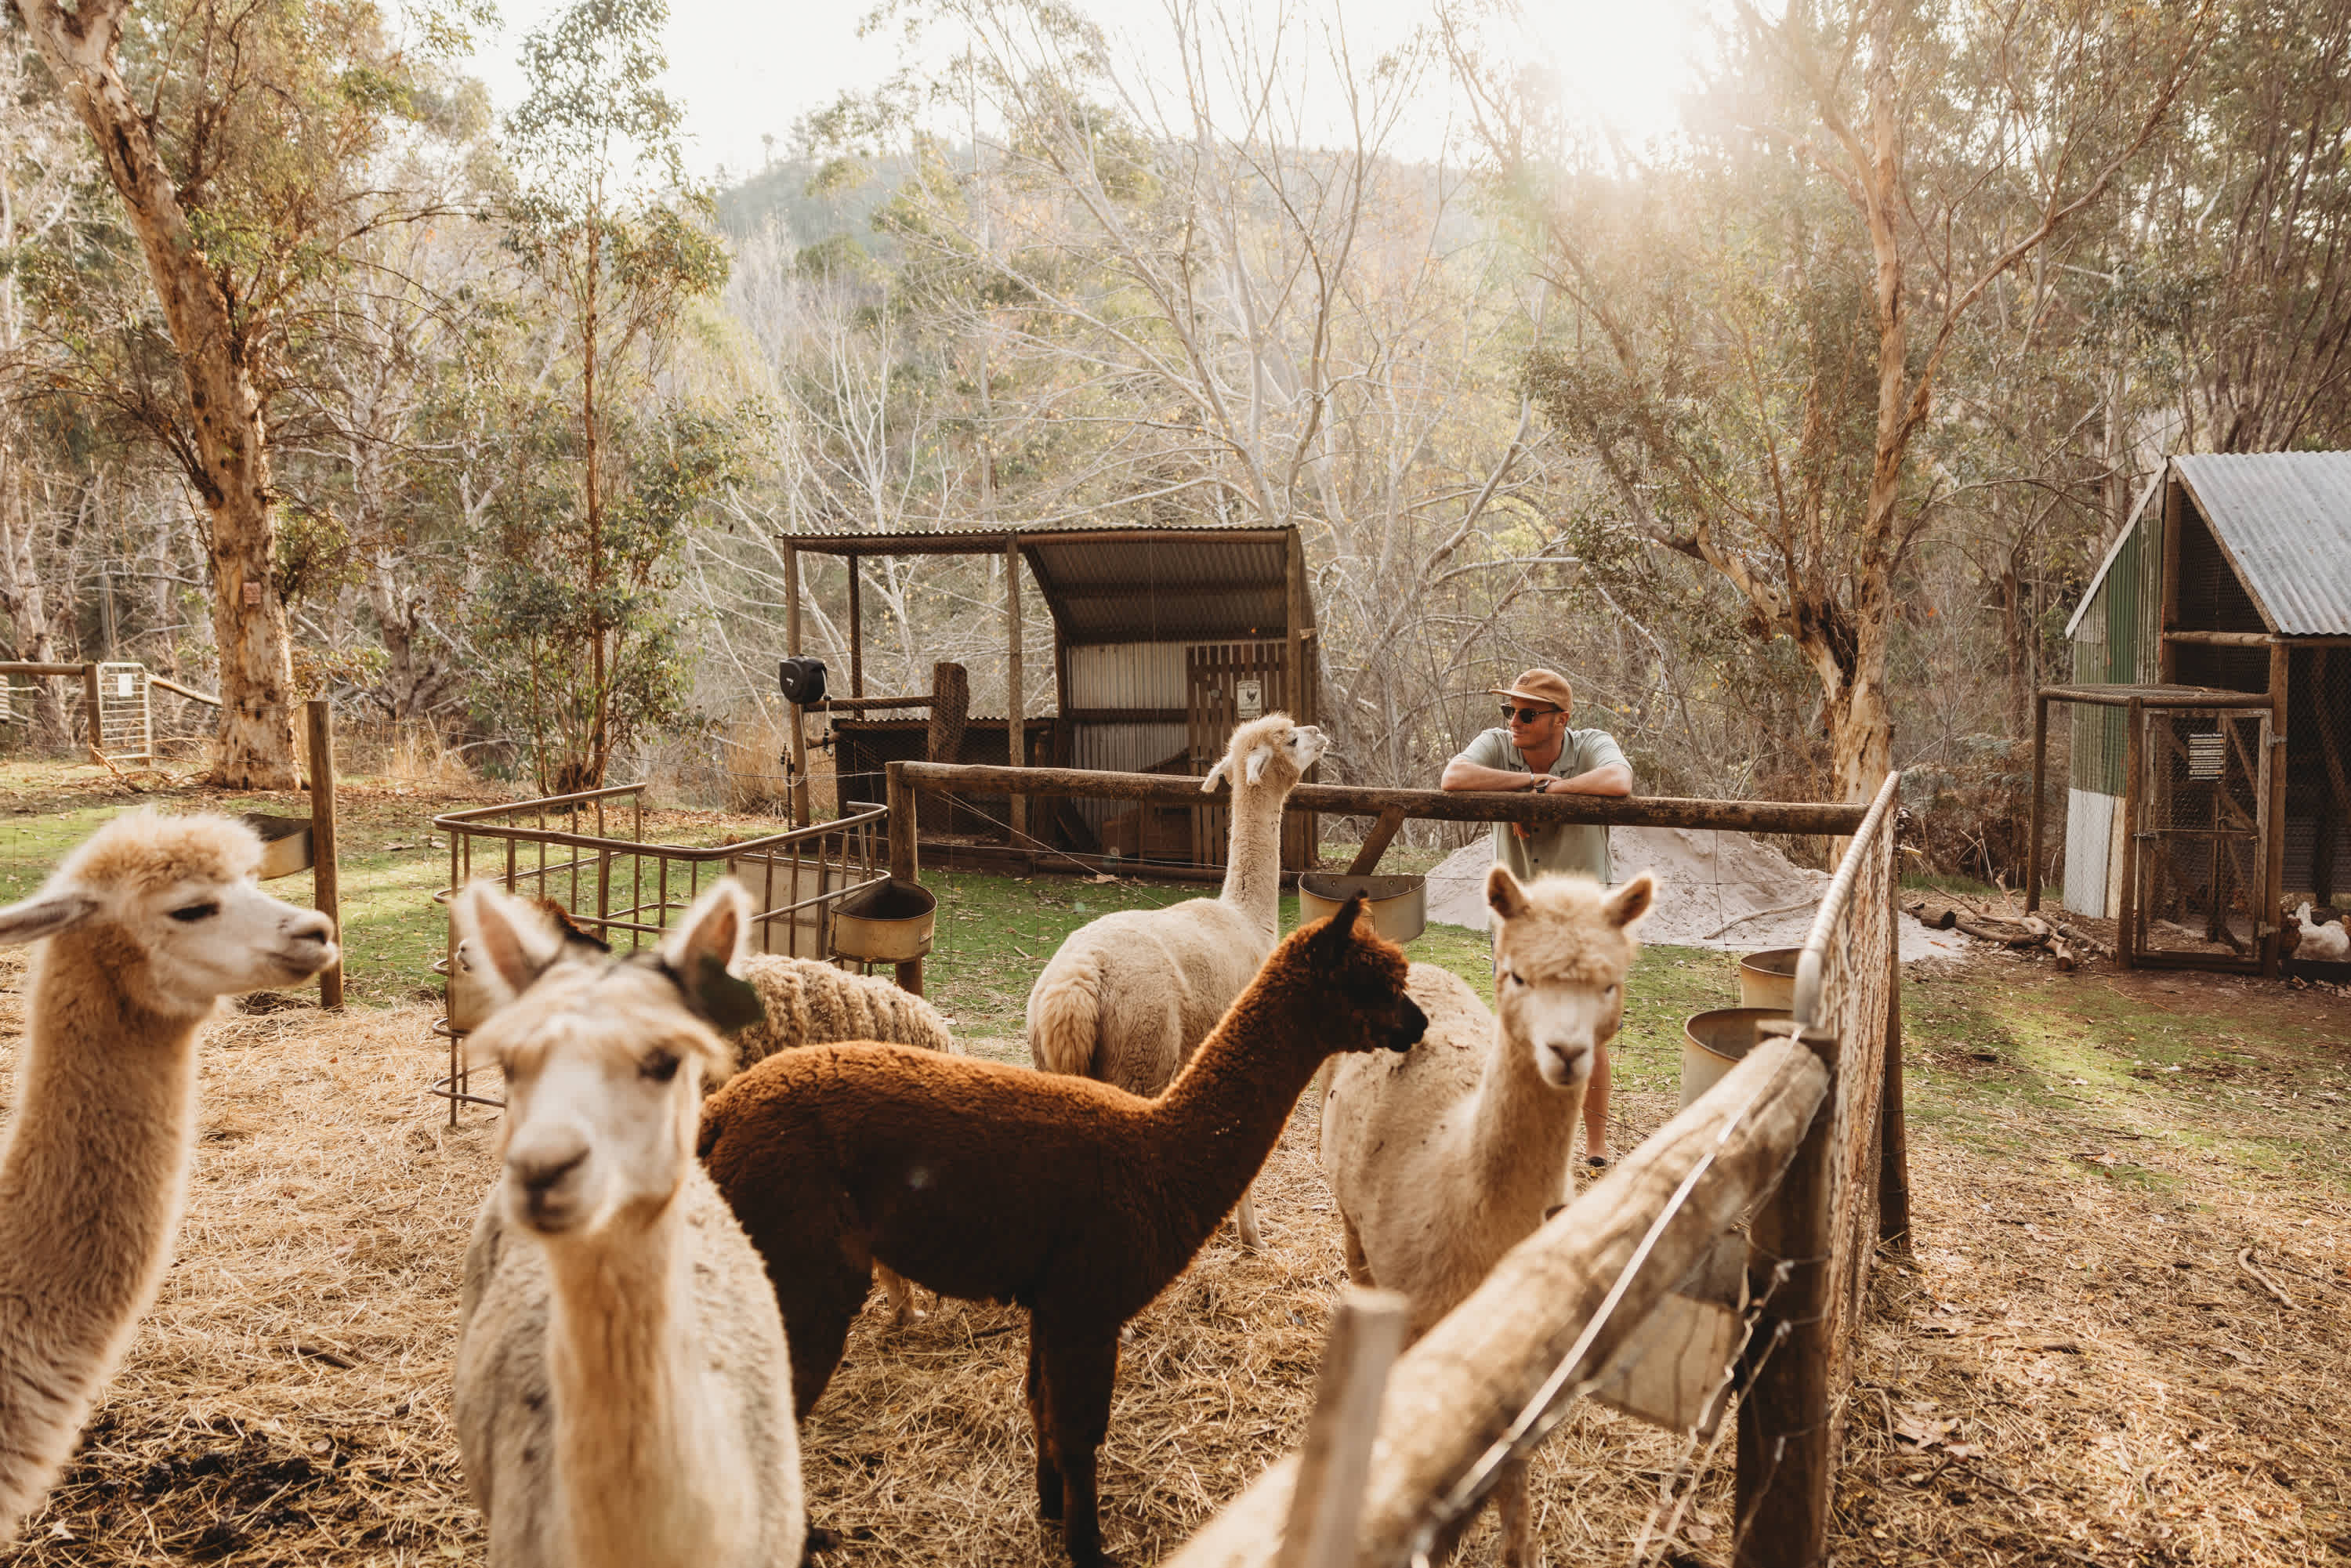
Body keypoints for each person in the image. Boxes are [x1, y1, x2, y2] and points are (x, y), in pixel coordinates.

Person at [1440, 668, 1634, 1166]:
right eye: (1509, 711)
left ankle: (1594, 1146)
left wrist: (1551, 795)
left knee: (1584, 1031)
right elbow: (1453, 778)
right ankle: (1520, 1132)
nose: (1514, 722)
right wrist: (1529, 784)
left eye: (1527, 713)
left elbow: (1619, 780)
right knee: (1520, 1026)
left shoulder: (1592, 744)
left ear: (1560, 720)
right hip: (1522, 924)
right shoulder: (1499, 744)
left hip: (1582, 923)